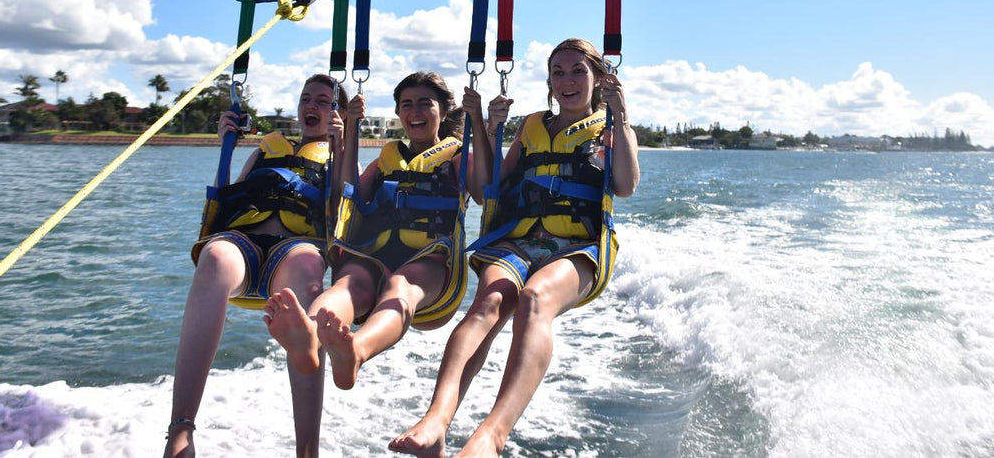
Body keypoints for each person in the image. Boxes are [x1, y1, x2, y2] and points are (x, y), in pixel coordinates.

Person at [389, 38, 640, 458]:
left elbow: (626, 186)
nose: (567, 80)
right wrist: (486, 126)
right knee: (488, 302)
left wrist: (621, 115)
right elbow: (492, 189)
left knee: (534, 298)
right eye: (557, 72)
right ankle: (436, 420)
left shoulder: (610, 127)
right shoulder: (532, 125)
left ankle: (492, 435)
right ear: (548, 81)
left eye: (578, 70)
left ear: (598, 78)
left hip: (579, 247)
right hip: (520, 239)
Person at [264, 72, 495, 394]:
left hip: (429, 258)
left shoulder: (457, 156)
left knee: (401, 285)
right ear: (399, 113)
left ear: (443, 111)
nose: (414, 112)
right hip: (374, 252)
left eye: (424, 104)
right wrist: (350, 131)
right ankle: (308, 337)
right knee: (350, 283)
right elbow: (349, 193)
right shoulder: (388, 157)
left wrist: (479, 125)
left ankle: (358, 350)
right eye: (406, 105)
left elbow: (486, 192)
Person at [163, 73, 347, 458]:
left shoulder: (339, 155)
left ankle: (307, 450)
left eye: (323, 101)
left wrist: (343, 146)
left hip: (296, 247)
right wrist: (224, 145)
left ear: (337, 114)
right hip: (244, 243)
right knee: (213, 256)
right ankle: (181, 430)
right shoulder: (267, 149)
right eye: (305, 98)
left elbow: (342, 211)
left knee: (305, 271)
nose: (311, 106)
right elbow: (231, 197)